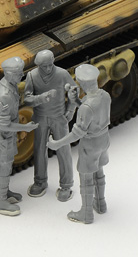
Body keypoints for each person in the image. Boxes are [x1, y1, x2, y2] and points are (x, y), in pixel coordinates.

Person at [47, 64, 110, 224]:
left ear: (83, 83)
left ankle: (86, 213)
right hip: (103, 140)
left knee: (86, 177)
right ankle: (101, 203)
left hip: (90, 145)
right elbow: (92, 112)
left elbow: (77, 133)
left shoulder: (86, 107)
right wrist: (76, 101)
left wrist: (57, 143)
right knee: (99, 171)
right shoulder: (105, 96)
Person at [0, 57, 38, 216]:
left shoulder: (6, 83)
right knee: (4, 168)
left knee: (7, 166)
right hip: (3, 138)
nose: (21, 75)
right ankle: (0, 201)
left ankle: (4, 192)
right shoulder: (5, 94)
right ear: (9, 73)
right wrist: (25, 128)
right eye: (18, 73)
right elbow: (4, 124)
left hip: (7, 137)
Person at [24, 50, 77, 201]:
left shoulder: (62, 74)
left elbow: (74, 91)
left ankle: (66, 185)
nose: (48, 68)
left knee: (63, 150)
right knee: (39, 150)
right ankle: (40, 182)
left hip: (59, 117)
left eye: (50, 64)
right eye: (44, 66)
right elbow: (27, 99)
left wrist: (70, 111)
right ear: (38, 65)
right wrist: (42, 98)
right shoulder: (32, 76)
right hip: (40, 118)